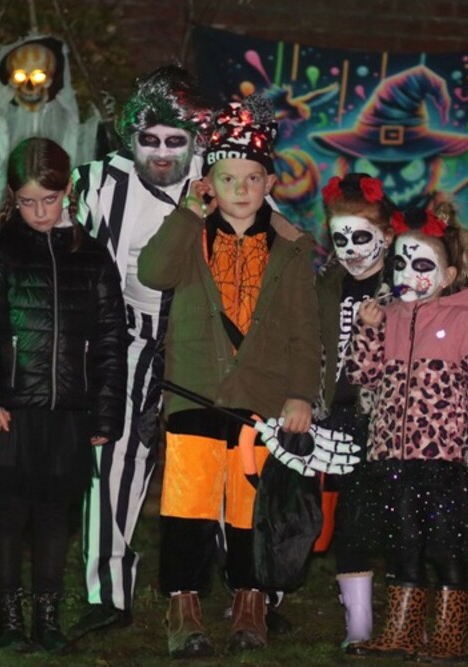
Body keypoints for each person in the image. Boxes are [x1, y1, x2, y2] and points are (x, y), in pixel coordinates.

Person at [137, 94, 321, 658]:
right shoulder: (191, 233)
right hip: (194, 391)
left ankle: (250, 601)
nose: (240, 189)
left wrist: (300, 394)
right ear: (208, 183)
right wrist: (187, 212)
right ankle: (183, 605)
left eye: (252, 178)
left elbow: (305, 332)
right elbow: (153, 271)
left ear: (270, 184)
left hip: (260, 397)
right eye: (227, 178)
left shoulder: (290, 251)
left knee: (248, 510)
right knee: (187, 506)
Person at [0, 137, 127, 653]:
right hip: (12, 410)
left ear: (68, 193)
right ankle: (9, 618)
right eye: (28, 201)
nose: (38, 212)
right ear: (13, 198)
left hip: (70, 412)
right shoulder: (1, 252)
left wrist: (106, 412)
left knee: (56, 515)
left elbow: (111, 339)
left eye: (49, 200)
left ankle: (48, 617)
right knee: (10, 514)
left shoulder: (93, 256)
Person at [69, 64, 212, 639]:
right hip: (126, 340)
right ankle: (108, 595)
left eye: (175, 140)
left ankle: (252, 590)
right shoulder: (98, 183)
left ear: (195, 140)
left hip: (203, 349)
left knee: (218, 467)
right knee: (113, 463)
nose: (161, 153)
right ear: (131, 136)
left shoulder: (222, 179)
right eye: (149, 139)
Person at [343, 200, 468, 662]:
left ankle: (450, 635)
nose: (408, 274)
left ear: (448, 275)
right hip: (392, 456)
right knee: (402, 542)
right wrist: (367, 331)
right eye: (399, 264)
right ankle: (402, 630)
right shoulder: (389, 315)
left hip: (442, 459)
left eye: (421, 266)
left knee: (446, 544)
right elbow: (362, 376)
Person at [313, 173, 396, 650]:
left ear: (386, 235)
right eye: (339, 238)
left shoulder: (404, 287)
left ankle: (388, 617)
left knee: (380, 515)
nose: (350, 249)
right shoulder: (327, 284)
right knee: (342, 516)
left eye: (361, 237)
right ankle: (357, 620)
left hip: (387, 421)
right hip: (335, 415)